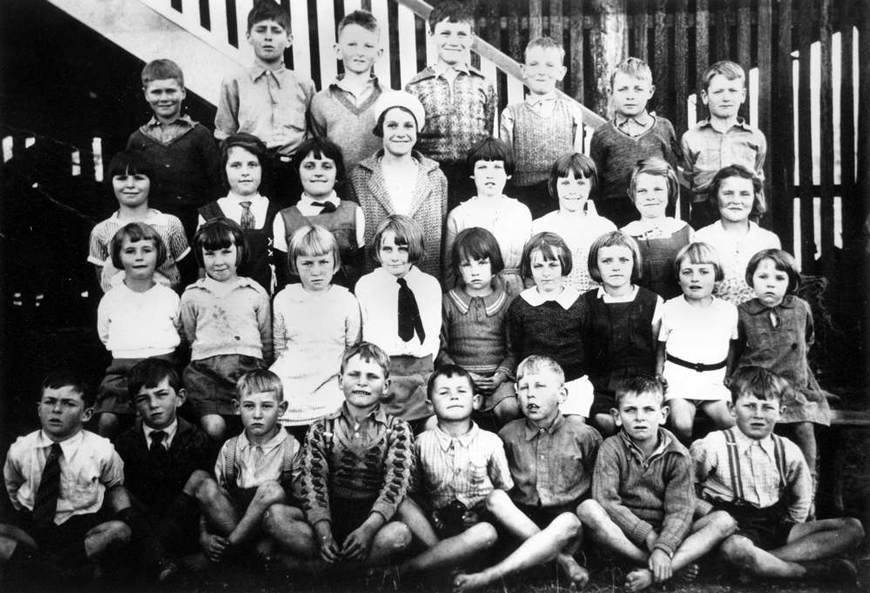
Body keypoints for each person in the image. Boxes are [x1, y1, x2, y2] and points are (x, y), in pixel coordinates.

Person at [691, 366, 864, 584]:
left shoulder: (787, 450)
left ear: (780, 412)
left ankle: (760, 564)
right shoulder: (712, 445)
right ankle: (806, 572)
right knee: (735, 548)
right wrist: (710, 512)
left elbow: (802, 494)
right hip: (732, 527)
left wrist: (792, 522)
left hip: (774, 524)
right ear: (732, 408)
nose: (758, 415)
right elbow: (684, 490)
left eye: (767, 408)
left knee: (851, 528)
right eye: (750, 406)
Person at [453, 356, 600, 592]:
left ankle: (490, 575)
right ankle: (563, 561)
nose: (531, 394)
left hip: (566, 528)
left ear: (562, 395)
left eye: (540, 387)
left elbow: (596, 485)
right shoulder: (508, 435)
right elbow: (495, 482)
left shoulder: (584, 436)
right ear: (516, 394)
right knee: (496, 498)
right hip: (520, 523)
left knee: (568, 522)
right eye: (523, 388)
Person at [578, 376, 737, 592]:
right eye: (630, 410)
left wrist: (664, 544)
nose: (640, 418)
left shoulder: (678, 453)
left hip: (666, 529)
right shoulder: (611, 448)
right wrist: (649, 538)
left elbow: (680, 509)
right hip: (626, 531)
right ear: (616, 416)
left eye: (648, 410)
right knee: (588, 509)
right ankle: (659, 564)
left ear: (663, 415)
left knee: (723, 521)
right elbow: (607, 501)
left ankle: (653, 571)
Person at [1, 372, 132, 584]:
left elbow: (113, 484)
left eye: (68, 404)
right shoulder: (21, 449)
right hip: (33, 529)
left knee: (120, 531)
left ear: (87, 414)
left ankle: (38, 570)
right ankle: (60, 574)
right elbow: (13, 487)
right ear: (39, 408)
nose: (56, 410)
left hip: (80, 532)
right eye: (50, 402)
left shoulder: (101, 450)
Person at [298, 343, 414, 568]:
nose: (362, 382)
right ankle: (341, 562)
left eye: (372, 376)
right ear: (341, 381)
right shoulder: (321, 429)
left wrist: (368, 530)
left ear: (386, 385)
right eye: (354, 375)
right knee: (276, 517)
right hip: (330, 515)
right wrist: (324, 533)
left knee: (400, 534)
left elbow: (396, 484)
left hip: (373, 518)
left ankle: (332, 571)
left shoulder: (397, 429)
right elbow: (313, 483)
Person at [397, 365, 509, 580]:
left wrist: (481, 515)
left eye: (461, 391)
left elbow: (503, 491)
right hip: (435, 529)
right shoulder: (421, 444)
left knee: (486, 532)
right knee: (402, 503)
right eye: (444, 392)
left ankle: (408, 568)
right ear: (430, 405)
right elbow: (414, 491)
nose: (453, 398)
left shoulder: (490, 442)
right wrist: (431, 513)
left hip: (474, 530)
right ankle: (445, 560)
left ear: (475, 401)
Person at [736, 249, 831, 491]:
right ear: (751, 279)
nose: (771, 285)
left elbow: (807, 339)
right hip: (758, 388)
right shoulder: (743, 312)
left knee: (804, 427)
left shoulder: (800, 308)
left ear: (791, 282)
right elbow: (735, 350)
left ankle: (807, 487)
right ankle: (759, 486)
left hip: (794, 388)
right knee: (758, 430)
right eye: (763, 277)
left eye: (780, 278)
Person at [114, 359, 211, 581]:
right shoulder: (125, 442)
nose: (153, 405)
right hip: (142, 526)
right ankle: (158, 556)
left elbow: (204, 497)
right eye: (143, 399)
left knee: (201, 477)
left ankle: (163, 556)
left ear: (180, 398)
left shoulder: (197, 439)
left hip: (182, 524)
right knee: (116, 491)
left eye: (161, 395)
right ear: (134, 406)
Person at [195, 370, 305, 564]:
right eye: (249, 406)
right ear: (237, 408)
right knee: (205, 487)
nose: (257, 414)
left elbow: (302, 504)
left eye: (267, 406)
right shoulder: (230, 448)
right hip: (235, 518)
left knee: (270, 489)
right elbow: (212, 501)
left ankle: (233, 548)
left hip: (275, 519)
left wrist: (272, 538)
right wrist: (204, 535)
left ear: (281, 409)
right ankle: (249, 553)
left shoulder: (291, 448)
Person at [214, 0, 315, 206]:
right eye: (261, 30)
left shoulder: (303, 83)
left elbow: (313, 132)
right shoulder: (234, 82)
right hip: (252, 171)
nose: (268, 37)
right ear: (249, 37)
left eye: (276, 31)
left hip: (294, 171)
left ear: (289, 39)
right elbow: (225, 134)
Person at [180, 218, 272, 442]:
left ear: (239, 251)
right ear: (200, 255)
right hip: (206, 375)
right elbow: (190, 336)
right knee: (214, 427)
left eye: (226, 252)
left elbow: (266, 339)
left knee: (254, 425)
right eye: (210, 254)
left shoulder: (254, 291)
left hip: (247, 372)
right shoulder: (192, 295)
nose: (218, 261)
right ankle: (218, 473)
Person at [270, 224, 362, 440]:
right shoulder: (284, 299)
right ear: (295, 264)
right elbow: (279, 349)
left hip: (330, 381)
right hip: (292, 380)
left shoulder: (346, 300)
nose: (316, 271)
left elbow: (352, 350)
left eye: (323, 262)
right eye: (307, 264)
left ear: (335, 263)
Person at [404, 0, 495, 211]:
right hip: (431, 177)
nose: (453, 41)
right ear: (432, 35)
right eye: (445, 33)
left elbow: (487, 131)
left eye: (461, 34)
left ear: (471, 38)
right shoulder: (415, 86)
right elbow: (412, 139)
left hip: (473, 178)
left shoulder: (483, 84)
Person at [348, 90, 448, 279]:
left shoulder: (435, 176)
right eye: (392, 125)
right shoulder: (360, 177)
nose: (400, 133)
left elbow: (441, 238)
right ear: (381, 130)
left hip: (424, 278)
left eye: (408, 126)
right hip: (376, 281)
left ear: (417, 131)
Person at [94, 223, 181, 439]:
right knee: (108, 420)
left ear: (158, 254)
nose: (139, 257)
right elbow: (105, 336)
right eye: (130, 251)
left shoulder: (169, 297)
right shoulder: (111, 299)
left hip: (163, 369)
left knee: (156, 419)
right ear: (118, 257)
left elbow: (181, 329)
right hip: (122, 371)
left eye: (147, 250)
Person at [355, 215, 440, 429]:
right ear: (377, 251)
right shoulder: (366, 285)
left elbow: (432, 335)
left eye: (402, 249)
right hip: (383, 373)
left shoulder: (429, 285)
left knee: (430, 426)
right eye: (387, 249)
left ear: (415, 249)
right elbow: (363, 332)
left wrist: (423, 371)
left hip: (420, 373)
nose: (395, 257)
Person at [126, 58, 221, 237]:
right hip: (153, 227)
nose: (164, 98)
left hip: (197, 224)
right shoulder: (137, 139)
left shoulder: (201, 134)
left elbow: (216, 184)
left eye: (170, 91)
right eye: (156, 92)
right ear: (146, 95)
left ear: (183, 92)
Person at [581, 231, 663, 436]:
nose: (615, 266)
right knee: (605, 420)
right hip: (602, 383)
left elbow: (657, 345)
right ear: (596, 266)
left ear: (634, 263)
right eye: (607, 261)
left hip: (641, 382)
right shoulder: (586, 302)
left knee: (640, 418)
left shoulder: (651, 301)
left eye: (623, 260)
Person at [506, 232, 594, 418]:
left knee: (574, 427)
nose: (546, 273)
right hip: (534, 385)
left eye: (553, 265)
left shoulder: (578, 303)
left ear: (564, 266)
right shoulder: (521, 305)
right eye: (538, 266)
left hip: (572, 382)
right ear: (529, 269)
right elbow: (514, 345)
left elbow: (588, 345)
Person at [656, 242, 737, 443]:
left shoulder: (727, 310)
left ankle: (713, 461)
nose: (695, 278)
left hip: (714, 381)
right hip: (679, 380)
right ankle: (686, 466)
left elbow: (733, 345)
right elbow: (660, 346)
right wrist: (658, 373)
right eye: (687, 272)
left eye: (703, 272)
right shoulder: (670, 308)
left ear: (716, 275)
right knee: (682, 424)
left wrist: (729, 374)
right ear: (678, 276)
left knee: (731, 422)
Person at [438, 228, 518, 425]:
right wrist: (464, 376)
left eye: (482, 263)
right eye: (466, 265)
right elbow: (441, 351)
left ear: (494, 264)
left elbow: (513, 351)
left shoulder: (507, 303)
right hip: (458, 379)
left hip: (498, 381)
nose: (474, 271)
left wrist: (500, 376)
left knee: (510, 408)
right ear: (458, 269)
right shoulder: (447, 302)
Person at [589, 57, 680, 227]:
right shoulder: (602, 134)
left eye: (638, 89)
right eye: (623, 89)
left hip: (656, 209)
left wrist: (668, 219)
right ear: (610, 92)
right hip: (615, 211)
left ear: (650, 91)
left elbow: (671, 178)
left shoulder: (664, 128)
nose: (630, 96)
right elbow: (596, 185)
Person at [500, 36, 584, 218]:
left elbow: (577, 161)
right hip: (523, 195)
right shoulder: (511, 114)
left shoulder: (571, 111)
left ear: (561, 72)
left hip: (562, 196)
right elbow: (505, 164)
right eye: (534, 64)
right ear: (523, 70)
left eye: (549, 65)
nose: (541, 71)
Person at [88, 150, 191, 293]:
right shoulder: (101, 231)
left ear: (151, 181)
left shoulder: (170, 224)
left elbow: (186, 273)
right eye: (122, 178)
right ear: (111, 182)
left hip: (166, 308)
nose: (130, 185)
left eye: (138, 178)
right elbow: (102, 280)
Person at [681, 60, 767, 230]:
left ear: (742, 95)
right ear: (705, 97)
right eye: (718, 91)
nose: (726, 97)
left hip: (742, 212)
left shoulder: (755, 138)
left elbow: (756, 176)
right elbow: (689, 178)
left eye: (732, 91)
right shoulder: (691, 137)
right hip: (704, 213)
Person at [272, 138, 365, 290]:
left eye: (326, 166)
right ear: (298, 171)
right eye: (309, 166)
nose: (318, 173)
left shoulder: (354, 212)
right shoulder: (284, 218)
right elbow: (284, 274)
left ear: (337, 173)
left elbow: (361, 265)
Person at [442, 137, 531, 295]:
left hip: (514, 291)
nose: (490, 175)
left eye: (497, 167)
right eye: (482, 167)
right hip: (471, 292)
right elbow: (449, 269)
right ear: (472, 173)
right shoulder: (459, 215)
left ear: (508, 173)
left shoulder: (521, 212)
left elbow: (530, 263)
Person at [198, 133, 278, 295]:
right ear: (224, 169)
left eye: (252, 165)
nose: (245, 172)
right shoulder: (209, 213)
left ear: (262, 168)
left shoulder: (277, 212)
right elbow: (202, 267)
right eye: (236, 165)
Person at [308, 9, 384, 170]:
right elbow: (317, 153)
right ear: (337, 50)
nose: (360, 52)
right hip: (336, 191)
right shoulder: (321, 101)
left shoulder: (389, 99)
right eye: (352, 44)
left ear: (378, 53)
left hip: (378, 191)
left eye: (368, 46)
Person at [693, 164, 780, 304]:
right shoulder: (701, 238)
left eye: (744, 194)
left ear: (755, 197)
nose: (736, 201)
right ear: (716, 196)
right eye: (728, 193)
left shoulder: (769, 240)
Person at [531, 153, 616, 293]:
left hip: (593, 305)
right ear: (554, 185)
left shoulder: (605, 227)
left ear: (591, 185)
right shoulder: (540, 226)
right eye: (565, 183)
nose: (572, 190)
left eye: (581, 183)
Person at [621, 157, 693, 300]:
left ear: (670, 191)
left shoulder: (685, 231)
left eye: (658, 189)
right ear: (631, 194)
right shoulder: (624, 235)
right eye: (642, 191)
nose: (650, 197)